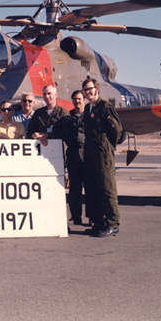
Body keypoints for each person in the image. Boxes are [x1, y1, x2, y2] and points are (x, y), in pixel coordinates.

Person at [82, 78, 123, 238]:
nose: (87, 92)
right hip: (90, 151)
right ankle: (98, 222)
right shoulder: (87, 108)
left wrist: (108, 146)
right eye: (85, 90)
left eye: (90, 89)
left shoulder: (105, 107)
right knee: (92, 188)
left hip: (103, 152)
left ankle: (113, 223)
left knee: (107, 188)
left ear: (97, 89)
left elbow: (117, 131)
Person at [60, 90, 88, 225]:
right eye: (75, 99)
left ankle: (92, 217)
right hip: (72, 153)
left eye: (79, 99)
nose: (77, 101)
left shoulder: (90, 116)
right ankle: (75, 216)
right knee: (74, 188)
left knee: (90, 187)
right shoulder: (68, 117)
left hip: (88, 153)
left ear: (84, 100)